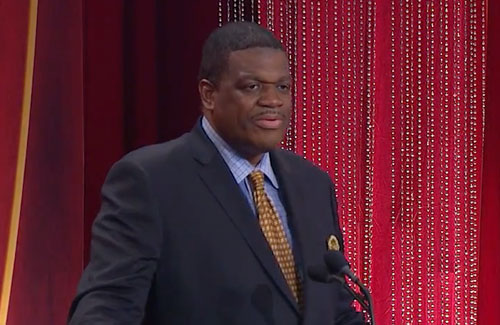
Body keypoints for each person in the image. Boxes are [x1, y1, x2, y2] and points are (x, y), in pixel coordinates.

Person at [68, 22, 365, 324]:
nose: (272, 101)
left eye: (282, 87)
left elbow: (335, 309)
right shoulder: (151, 181)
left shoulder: (312, 184)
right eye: (252, 87)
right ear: (209, 95)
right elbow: (108, 307)